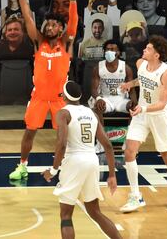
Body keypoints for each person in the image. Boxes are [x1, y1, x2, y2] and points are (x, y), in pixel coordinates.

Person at [9, 0, 78, 181]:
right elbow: (28, 17)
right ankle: (22, 166)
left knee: (64, 136)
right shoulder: (39, 41)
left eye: (53, 25)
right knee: (29, 132)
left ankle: (64, 166)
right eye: (47, 24)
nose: (49, 27)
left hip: (59, 98)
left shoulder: (66, 42)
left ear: (60, 28)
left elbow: (73, 22)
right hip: (39, 97)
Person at [42, 81, 122, 239]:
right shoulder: (91, 113)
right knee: (95, 212)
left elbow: (62, 144)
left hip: (74, 162)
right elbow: (107, 145)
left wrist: (53, 170)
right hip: (92, 161)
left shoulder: (63, 113)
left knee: (65, 215)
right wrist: (112, 174)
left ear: (64, 95)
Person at [119, 35, 167, 212]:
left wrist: (144, 109)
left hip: (158, 116)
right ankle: (135, 196)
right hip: (142, 115)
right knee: (129, 151)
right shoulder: (141, 64)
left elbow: (163, 103)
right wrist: (129, 84)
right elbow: (142, 79)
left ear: (157, 55)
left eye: (148, 49)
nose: (144, 50)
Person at [89, 40, 137, 139]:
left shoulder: (126, 68)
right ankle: (101, 141)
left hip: (121, 99)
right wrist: (98, 99)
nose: (109, 51)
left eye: (112, 49)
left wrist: (134, 102)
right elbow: (93, 89)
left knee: (134, 108)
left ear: (118, 52)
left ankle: (129, 140)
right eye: (107, 49)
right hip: (106, 99)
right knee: (98, 106)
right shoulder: (98, 68)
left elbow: (131, 89)